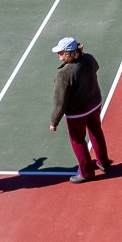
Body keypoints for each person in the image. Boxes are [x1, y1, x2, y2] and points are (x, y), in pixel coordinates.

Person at [49, 36, 112, 183]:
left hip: (77, 113)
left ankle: (86, 172)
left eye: (61, 52)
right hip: (95, 104)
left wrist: (54, 121)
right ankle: (103, 162)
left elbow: (60, 102)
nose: (58, 54)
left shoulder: (63, 74)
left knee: (78, 141)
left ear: (69, 54)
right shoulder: (89, 59)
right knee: (96, 131)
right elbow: (96, 67)